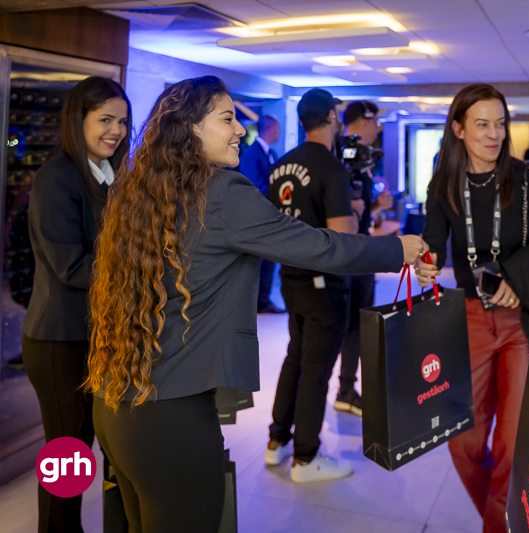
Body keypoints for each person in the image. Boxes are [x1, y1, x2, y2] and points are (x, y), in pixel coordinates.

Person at [86, 76, 427, 532]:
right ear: (191, 128)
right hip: (172, 417)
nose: (238, 130)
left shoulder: (143, 190)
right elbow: (321, 246)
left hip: (117, 407)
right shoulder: (222, 192)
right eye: (227, 118)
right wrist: (396, 249)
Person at [416, 83, 529, 533]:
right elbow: (432, 245)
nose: (494, 134)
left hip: (523, 322)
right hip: (468, 318)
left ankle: (497, 525)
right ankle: (504, 514)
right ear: (458, 129)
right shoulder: (444, 184)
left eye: (500, 124)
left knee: (512, 443)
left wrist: (519, 278)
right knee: (462, 441)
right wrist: (423, 263)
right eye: (482, 124)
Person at [22, 76, 130, 533]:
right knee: (68, 456)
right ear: (77, 120)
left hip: (95, 337)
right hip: (59, 341)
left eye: (122, 121)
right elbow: (71, 267)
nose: (116, 130)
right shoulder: (57, 179)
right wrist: (138, 272)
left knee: (94, 449)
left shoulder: (108, 176)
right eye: (105, 120)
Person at [264, 88, 366, 481]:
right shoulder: (330, 167)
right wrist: (354, 212)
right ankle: (306, 457)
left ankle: (277, 440)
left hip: (290, 278)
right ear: (331, 117)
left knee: (296, 357)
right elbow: (342, 234)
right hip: (324, 285)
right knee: (317, 368)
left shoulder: (280, 166)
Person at [333, 100, 394, 416]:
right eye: (375, 122)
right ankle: (344, 389)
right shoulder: (337, 157)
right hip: (345, 255)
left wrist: (376, 207)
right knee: (347, 325)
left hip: (360, 250)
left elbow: (357, 211)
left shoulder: (362, 159)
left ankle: (347, 387)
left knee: (358, 323)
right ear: (365, 121)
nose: (378, 129)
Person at [238, 113, 284, 313]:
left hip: (270, 217)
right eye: (278, 128)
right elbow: (252, 187)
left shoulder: (270, 152)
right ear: (271, 129)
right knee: (258, 262)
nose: (279, 132)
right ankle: (255, 303)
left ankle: (263, 301)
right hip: (257, 217)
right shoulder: (251, 154)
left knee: (269, 260)